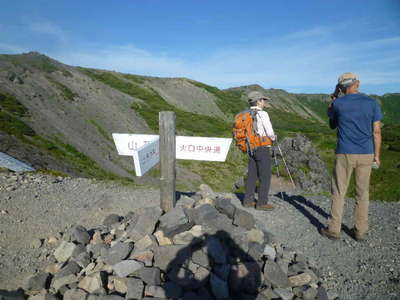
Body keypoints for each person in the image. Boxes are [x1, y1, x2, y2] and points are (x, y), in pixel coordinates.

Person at [321, 72, 382, 241]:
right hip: (367, 153)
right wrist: (377, 155)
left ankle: (334, 229)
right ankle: (360, 230)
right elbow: (376, 131)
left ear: (341, 87)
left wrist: (334, 96)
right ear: (358, 83)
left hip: (345, 153)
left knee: (339, 191)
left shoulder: (338, 103)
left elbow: (332, 123)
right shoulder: (372, 103)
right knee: (362, 193)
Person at [243, 91, 276, 211]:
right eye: (263, 100)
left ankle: (248, 200)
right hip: (262, 147)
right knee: (265, 175)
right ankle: (262, 203)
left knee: (252, 174)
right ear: (258, 101)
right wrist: (273, 137)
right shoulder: (263, 114)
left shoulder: (246, 114)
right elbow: (270, 132)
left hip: (251, 147)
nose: (264, 102)